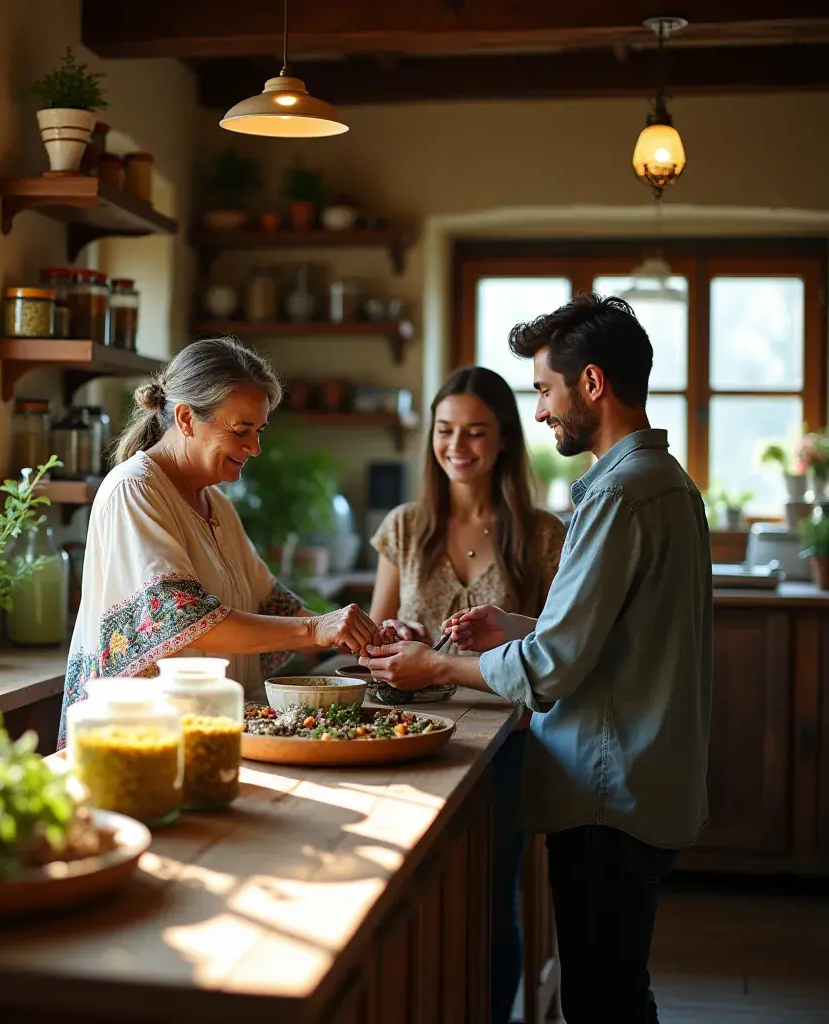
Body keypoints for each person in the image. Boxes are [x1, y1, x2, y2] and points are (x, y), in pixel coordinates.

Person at [362, 294, 713, 1024]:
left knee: (605, 1001)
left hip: (607, 790)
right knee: (613, 987)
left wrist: (438, 670)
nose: (543, 410)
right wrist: (512, 625)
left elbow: (553, 667)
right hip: (643, 782)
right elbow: (608, 634)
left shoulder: (616, 496)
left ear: (591, 384)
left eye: (546, 390)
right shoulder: (668, 484)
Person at [59, 337, 379, 747]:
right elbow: (182, 621)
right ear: (186, 418)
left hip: (208, 733)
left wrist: (358, 636)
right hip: (140, 741)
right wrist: (317, 629)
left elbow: (270, 604)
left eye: (259, 431)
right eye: (241, 430)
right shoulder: (134, 490)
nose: (255, 448)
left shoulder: (217, 505)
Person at [367, 366, 565, 1024]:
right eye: (445, 431)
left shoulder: (541, 534)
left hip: (505, 747)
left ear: (505, 439)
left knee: (489, 903)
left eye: (476, 433)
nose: (457, 447)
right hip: (408, 742)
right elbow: (376, 638)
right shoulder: (403, 526)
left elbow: (561, 648)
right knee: (407, 900)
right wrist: (394, 636)